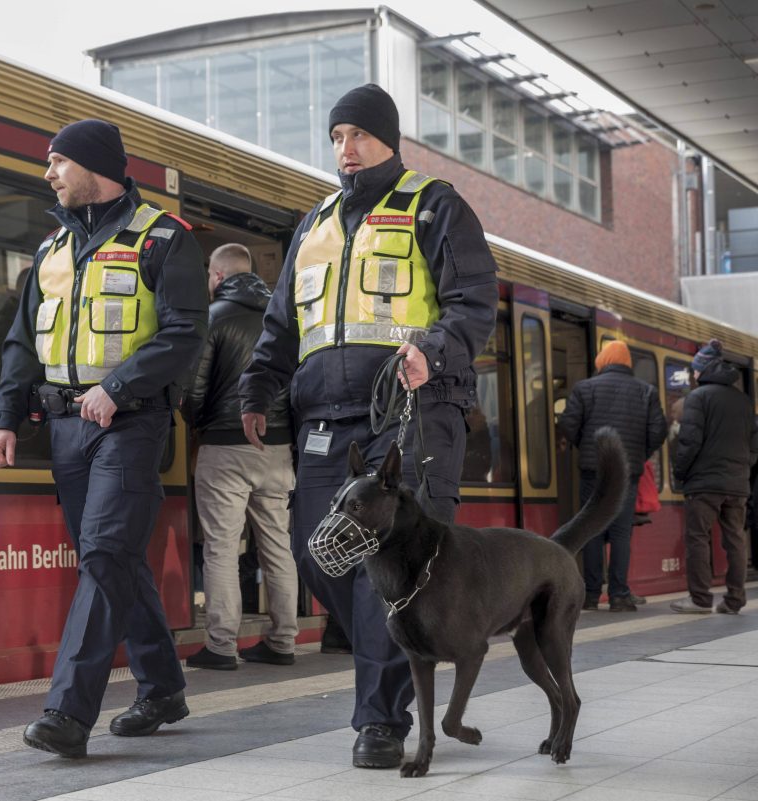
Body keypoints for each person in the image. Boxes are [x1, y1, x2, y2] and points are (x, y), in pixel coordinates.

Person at [239, 84, 498, 769]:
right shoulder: (315, 222)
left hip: (409, 415)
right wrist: (260, 387)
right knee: (315, 551)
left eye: (356, 135)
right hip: (326, 421)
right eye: (335, 137)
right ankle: (401, 656)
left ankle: (378, 720)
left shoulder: (433, 204)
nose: (344, 150)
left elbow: (473, 301)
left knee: (381, 568)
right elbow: (281, 325)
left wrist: (431, 349)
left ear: (388, 140)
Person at [0, 119, 208, 758]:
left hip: (130, 423)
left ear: (94, 165)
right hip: (64, 430)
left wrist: (119, 387)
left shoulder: (163, 238)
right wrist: (5, 416)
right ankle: (163, 687)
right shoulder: (51, 249)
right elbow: (21, 342)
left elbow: (184, 331)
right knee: (113, 560)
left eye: (57, 161)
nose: (47, 173)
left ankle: (67, 712)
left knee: (107, 551)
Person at [183, 243, 298, 671]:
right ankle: (284, 640)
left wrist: (199, 425)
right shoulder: (283, 319)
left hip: (225, 446)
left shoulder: (214, 318)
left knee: (222, 549)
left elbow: (194, 389)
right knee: (277, 546)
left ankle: (221, 645)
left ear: (217, 276)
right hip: (278, 446)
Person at [557, 340, 666, 612]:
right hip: (627, 472)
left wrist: (588, 447)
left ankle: (592, 594)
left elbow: (568, 424)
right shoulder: (646, 391)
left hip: (594, 470)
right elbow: (658, 431)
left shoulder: (585, 388)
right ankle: (619, 594)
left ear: (602, 361)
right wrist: (638, 455)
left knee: (592, 527)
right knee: (620, 531)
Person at [670, 339, 758, 614]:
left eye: (695, 370)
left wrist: (680, 472)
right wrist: (743, 468)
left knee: (697, 537)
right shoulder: (744, 401)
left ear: (703, 370)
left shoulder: (697, 398)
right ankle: (735, 598)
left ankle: (699, 598)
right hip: (737, 483)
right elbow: (754, 445)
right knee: (735, 538)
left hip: (704, 483)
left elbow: (689, 441)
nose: (694, 375)